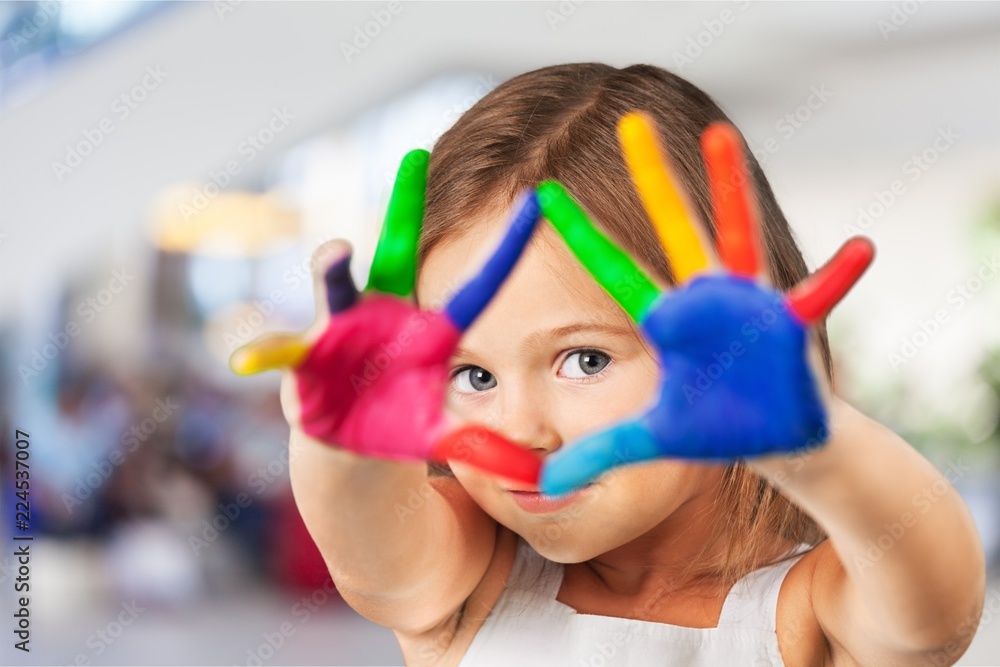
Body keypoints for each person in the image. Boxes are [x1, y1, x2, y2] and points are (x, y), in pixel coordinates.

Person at [236, 63, 985, 666]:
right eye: (473, 375)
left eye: (584, 358)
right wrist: (347, 449)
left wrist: (815, 449)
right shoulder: (469, 577)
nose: (522, 429)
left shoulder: (809, 609)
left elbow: (934, 618)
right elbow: (374, 556)